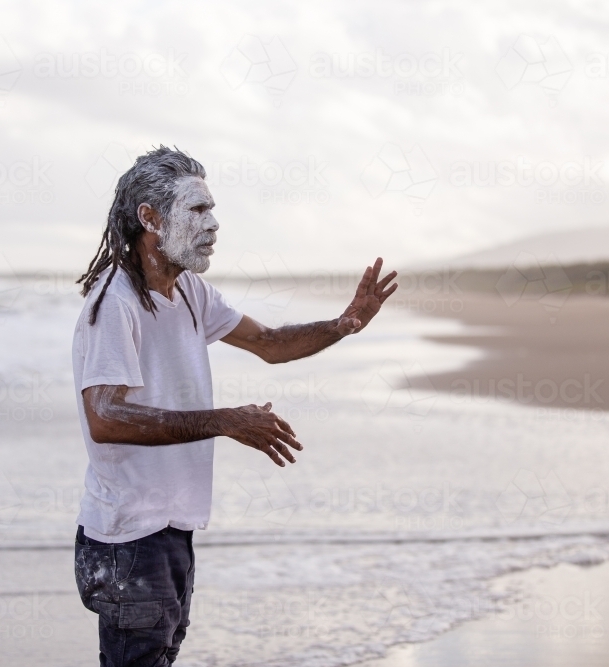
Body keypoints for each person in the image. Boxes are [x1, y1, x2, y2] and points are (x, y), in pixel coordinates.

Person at [72, 145, 398, 666]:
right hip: (127, 536)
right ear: (150, 218)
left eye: (212, 210)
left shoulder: (191, 293)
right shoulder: (116, 302)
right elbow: (105, 416)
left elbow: (270, 343)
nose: (214, 224)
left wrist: (341, 325)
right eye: (198, 210)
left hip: (170, 526)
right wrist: (225, 420)